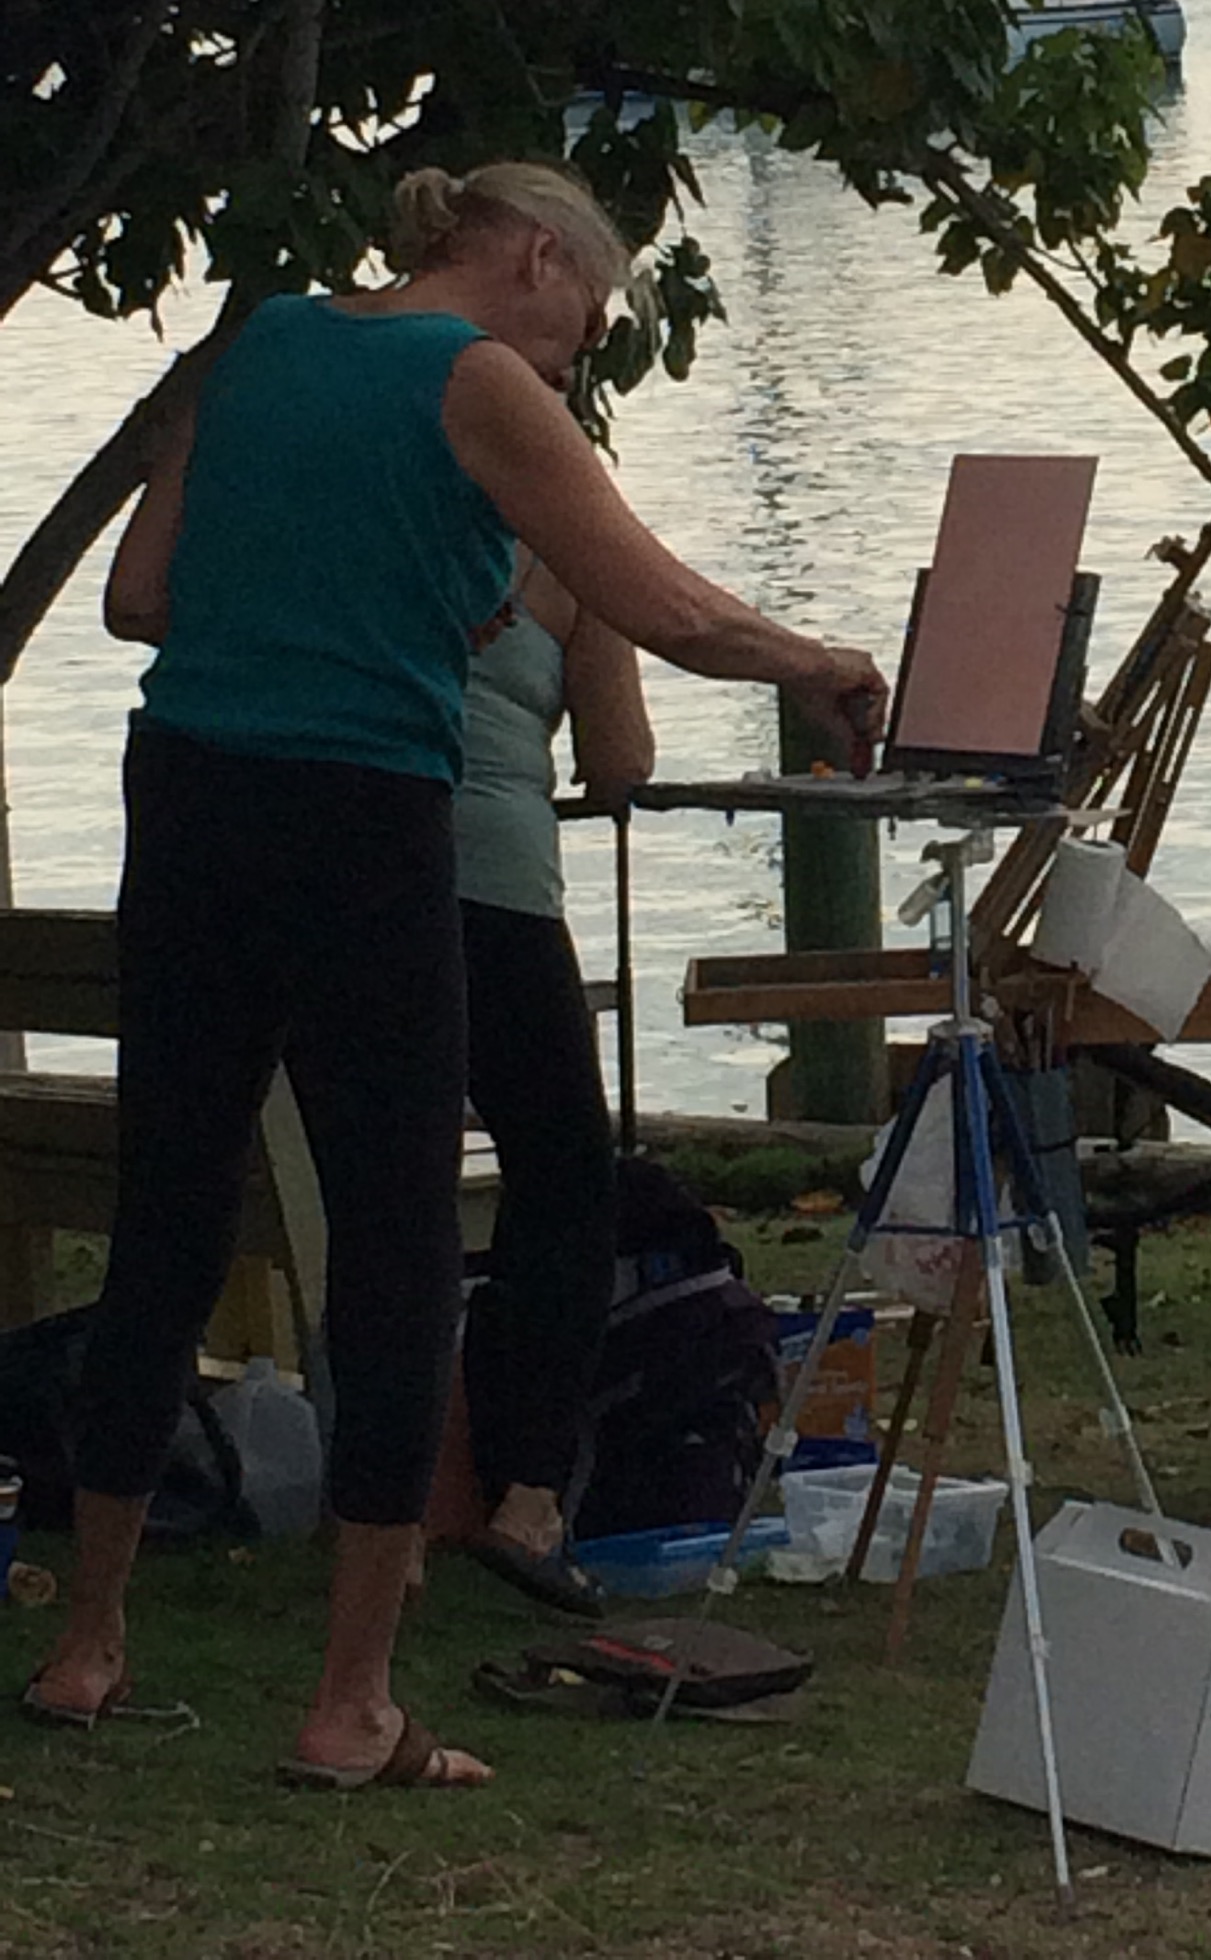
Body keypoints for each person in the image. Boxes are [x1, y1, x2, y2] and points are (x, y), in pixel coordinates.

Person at [27, 162, 885, 1788]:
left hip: (186, 793)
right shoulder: (478, 378)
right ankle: (352, 1703)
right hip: (361, 812)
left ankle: (87, 1648)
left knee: (170, 1215)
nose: (580, 356)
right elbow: (657, 602)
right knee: (399, 1234)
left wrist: (356, 594)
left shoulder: (266, 343)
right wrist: (817, 660)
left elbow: (145, 598)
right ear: (537, 258)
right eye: (593, 319)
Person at [452, 559, 653, 1617]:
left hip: (344, 880)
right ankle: (528, 1497)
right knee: (569, 1180)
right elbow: (620, 763)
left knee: (386, 1186)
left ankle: (398, 1499)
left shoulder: (381, 508)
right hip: (496, 893)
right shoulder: (567, 552)